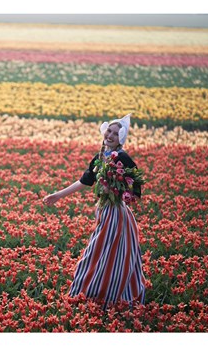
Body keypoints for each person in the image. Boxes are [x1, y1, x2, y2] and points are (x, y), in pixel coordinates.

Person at [43, 114, 146, 309]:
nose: (111, 135)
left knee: (101, 252)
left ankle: (102, 295)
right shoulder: (100, 157)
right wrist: (58, 195)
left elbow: (136, 185)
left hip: (117, 214)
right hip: (104, 211)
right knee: (104, 253)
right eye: (109, 131)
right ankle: (95, 293)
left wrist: (120, 193)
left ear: (121, 138)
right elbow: (85, 181)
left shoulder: (121, 157)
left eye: (116, 133)